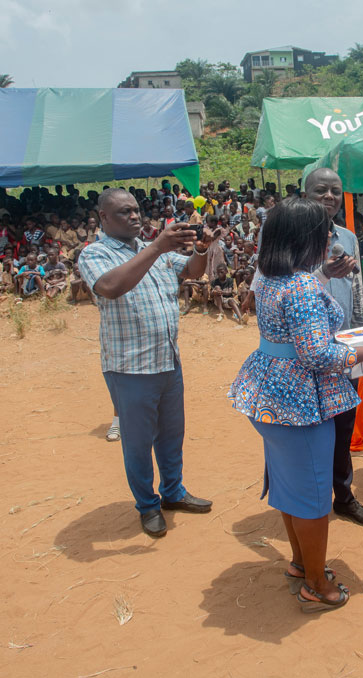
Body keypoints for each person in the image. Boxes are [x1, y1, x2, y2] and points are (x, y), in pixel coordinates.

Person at [229, 197, 363, 611]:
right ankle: (317, 585)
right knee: (314, 496)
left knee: (290, 486)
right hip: (301, 404)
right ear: (306, 239)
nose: (329, 241)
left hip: (269, 395)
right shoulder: (301, 285)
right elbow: (316, 354)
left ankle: (302, 564)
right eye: (324, 234)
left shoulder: (270, 277)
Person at [78, 188, 214, 538]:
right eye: (124, 212)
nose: (134, 216)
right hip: (130, 368)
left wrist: (201, 249)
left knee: (171, 436)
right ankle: (148, 505)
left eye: (136, 210)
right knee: (138, 444)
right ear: (104, 217)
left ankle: (173, 492)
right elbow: (110, 287)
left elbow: (191, 271)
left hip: (167, 360)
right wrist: (157, 247)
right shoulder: (96, 253)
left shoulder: (151, 248)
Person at [305, 168, 363, 528]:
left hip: (345, 349)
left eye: (335, 191)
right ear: (305, 195)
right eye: (321, 190)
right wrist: (322, 272)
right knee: (311, 428)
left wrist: (362, 332)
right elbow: (282, 288)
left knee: (343, 424)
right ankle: (311, 499)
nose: (329, 197)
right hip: (307, 352)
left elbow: (356, 290)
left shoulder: (348, 237)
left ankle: (344, 496)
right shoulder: (292, 236)